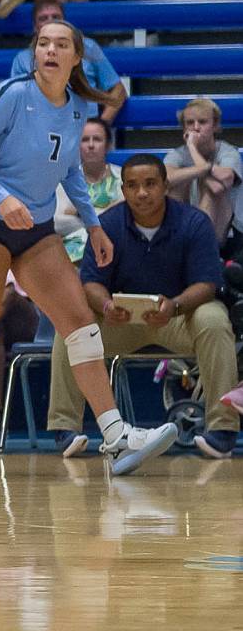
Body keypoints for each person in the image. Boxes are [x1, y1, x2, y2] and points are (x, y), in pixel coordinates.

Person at [0, 17, 176, 476]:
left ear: (76, 57)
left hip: (35, 229)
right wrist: (2, 198)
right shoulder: (13, 94)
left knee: (81, 325)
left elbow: (69, 168)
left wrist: (93, 225)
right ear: (35, 52)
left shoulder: (75, 108)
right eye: (43, 43)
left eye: (61, 45)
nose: (50, 51)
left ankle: (114, 437)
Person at [48, 154, 238, 459]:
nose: (142, 192)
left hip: (179, 318)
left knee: (214, 318)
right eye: (133, 186)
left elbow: (207, 285)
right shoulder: (107, 224)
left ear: (165, 185)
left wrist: (174, 306)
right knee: (72, 326)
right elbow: (91, 283)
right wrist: (107, 306)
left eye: (150, 184)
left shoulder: (193, 222)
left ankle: (222, 431)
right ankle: (65, 428)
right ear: (123, 191)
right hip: (122, 321)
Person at [10, 0, 127, 123]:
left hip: (85, 128)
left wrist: (101, 125)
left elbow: (119, 90)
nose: (51, 21)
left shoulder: (87, 47)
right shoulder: (22, 59)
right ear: (35, 27)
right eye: (43, 18)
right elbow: (17, 101)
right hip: (42, 127)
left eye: (56, 17)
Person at [164, 97, 242, 246]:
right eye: (190, 123)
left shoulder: (228, 152)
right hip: (187, 226)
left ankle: (200, 246)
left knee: (211, 187)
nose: (196, 127)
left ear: (215, 125)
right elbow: (165, 178)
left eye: (202, 122)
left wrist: (193, 149)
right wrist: (203, 169)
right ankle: (179, 245)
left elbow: (220, 184)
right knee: (174, 185)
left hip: (229, 231)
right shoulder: (177, 154)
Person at [54, 118, 122, 262]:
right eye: (85, 140)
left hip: (116, 248)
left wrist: (81, 213)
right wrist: (106, 215)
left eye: (97, 139)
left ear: (108, 145)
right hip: (71, 250)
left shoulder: (123, 177)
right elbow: (57, 222)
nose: (91, 145)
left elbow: (124, 221)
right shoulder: (65, 180)